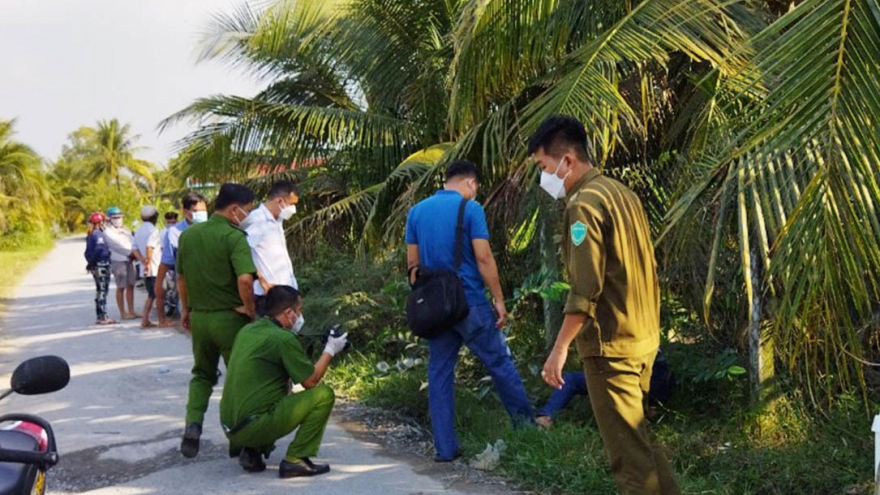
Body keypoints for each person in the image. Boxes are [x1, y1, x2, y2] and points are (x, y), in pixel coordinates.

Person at [530, 116, 679, 495]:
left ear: (567, 160)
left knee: (628, 461)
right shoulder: (620, 193)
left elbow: (585, 288)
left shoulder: (583, 206)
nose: (544, 177)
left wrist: (560, 349)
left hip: (610, 347)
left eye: (544, 167)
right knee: (640, 444)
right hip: (643, 340)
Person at [405, 159, 534, 462]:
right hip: (470, 303)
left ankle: (445, 449)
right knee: (500, 363)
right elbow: (484, 257)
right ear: (470, 183)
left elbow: (413, 267)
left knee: (439, 373)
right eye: (475, 187)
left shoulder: (417, 212)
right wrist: (499, 299)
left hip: (437, 309)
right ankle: (527, 431)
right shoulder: (471, 208)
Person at [220, 286, 347, 477]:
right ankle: (296, 459)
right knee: (323, 395)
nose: (300, 315)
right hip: (253, 425)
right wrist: (330, 349)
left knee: (275, 389)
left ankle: (251, 450)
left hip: (230, 426)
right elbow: (310, 381)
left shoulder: (248, 330)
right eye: (299, 310)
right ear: (288, 313)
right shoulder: (283, 339)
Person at [176, 183, 257, 458]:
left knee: (201, 375)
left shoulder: (189, 236)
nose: (247, 216)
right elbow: (245, 279)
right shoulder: (234, 238)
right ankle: (240, 441)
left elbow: (181, 279)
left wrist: (186, 310)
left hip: (200, 319)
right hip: (230, 320)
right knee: (239, 380)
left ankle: (193, 425)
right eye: (247, 211)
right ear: (234, 209)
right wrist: (250, 310)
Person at [535, 351, 675, 428]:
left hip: (628, 383)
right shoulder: (643, 328)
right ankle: (646, 410)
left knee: (571, 380)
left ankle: (544, 418)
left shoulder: (615, 331)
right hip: (657, 386)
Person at [243, 180, 300, 316]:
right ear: (280, 201)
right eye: (291, 204)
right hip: (268, 295)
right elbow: (243, 252)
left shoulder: (277, 220)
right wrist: (260, 279)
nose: (293, 209)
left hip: (285, 292)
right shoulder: (257, 220)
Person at [155, 192, 207, 328]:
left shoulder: (212, 230)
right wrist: (158, 287)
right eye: (196, 211)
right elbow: (166, 263)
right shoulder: (175, 232)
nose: (200, 215)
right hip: (188, 290)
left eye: (203, 211)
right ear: (186, 211)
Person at [103, 206, 138, 320]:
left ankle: (131, 311)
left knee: (131, 285)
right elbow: (116, 246)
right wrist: (130, 253)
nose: (118, 219)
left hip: (130, 260)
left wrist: (134, 254)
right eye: (115, 217)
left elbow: (132, 241)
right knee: (121, 287)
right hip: (118, 260)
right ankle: (123, 313)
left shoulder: (126, 229)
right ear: (109, 219)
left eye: (119, 217)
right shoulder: (108, 232)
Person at [84, 212, 116, 325]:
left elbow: (87, 253)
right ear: (100, 222)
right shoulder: (98, 234)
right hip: (102, 264)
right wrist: (92, 263)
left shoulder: (92, 234)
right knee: (102, 290)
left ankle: (101, 315)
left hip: (97, 264)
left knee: (100, 290)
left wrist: (90, 263)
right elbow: (98, 249)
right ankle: (102, 316)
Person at [133, 206, 162, 328]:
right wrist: (148, 263)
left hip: (145, 267)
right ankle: (147, 320)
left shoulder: (139, 230)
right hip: (153, 267)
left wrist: (142, 261)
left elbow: (134, 249)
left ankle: (146, 319)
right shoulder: (153, 231)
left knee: (152, 293)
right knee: (154, 293)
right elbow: (149, 247)